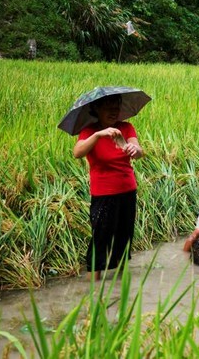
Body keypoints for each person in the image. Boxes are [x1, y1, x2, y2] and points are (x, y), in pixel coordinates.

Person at [73, 94, 144, 281]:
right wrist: (98, 135)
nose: (114, 110)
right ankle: (93, 283)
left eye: (116, 106)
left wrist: (134, 149)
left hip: (128, 190)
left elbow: (138, 152)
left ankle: (121, 283)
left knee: (124, 234)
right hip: (103, 193)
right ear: (96, 109)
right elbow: (77, 152)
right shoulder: (89, 131)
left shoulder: (126, 127)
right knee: (101, 236)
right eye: (108, 106)